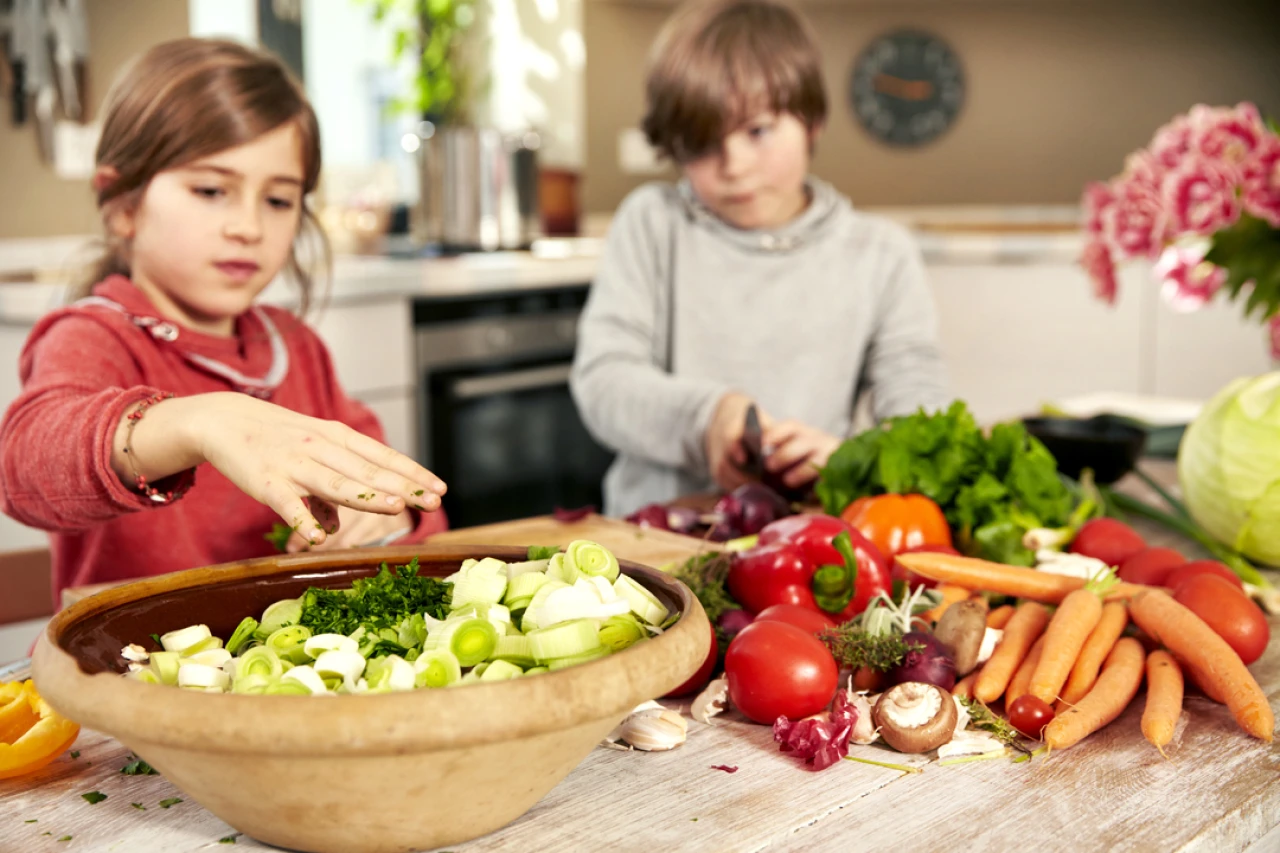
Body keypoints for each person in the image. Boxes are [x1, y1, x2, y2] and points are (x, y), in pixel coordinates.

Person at [0, 38, 448, 604]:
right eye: (212, 190)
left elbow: (409, 503)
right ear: (123, 205)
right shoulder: (93, 336)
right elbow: (24, 468)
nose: (248, 226)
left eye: (279, 200)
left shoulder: (296, 346)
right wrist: (200, 422)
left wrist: (393, 520)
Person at [570, 0, 952, 517]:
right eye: (703, 143)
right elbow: (604, 382)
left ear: (812, 120)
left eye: (757, 131)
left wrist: (850, 461)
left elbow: (917, 414)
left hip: (809, 537)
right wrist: (709, 418)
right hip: (653, 535)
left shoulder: (881, 254)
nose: (734, 166)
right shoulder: (651, 224)